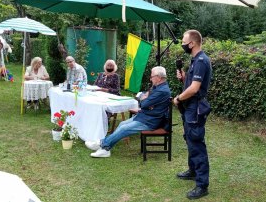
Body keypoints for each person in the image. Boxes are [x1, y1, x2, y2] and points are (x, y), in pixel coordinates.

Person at [85, 66, 171, 158]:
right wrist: (145, 98)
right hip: (145, 116)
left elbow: (143, 104)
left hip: (150, 121)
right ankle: (105, 146)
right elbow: (145, 98)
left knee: (124, 129)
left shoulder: (162, 91)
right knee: (122, 124)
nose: (150, 79)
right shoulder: (158, 87)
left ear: (159, 77)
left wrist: (144, 99)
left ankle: (103, 146)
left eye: (152, 76)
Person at [173, 30, 212, 200]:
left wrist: (178, 98)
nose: (182, 44)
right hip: (189, 106)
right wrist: (183, 79)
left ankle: (202, 185)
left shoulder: (202, 61)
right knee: (189, 138)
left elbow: (195, 89)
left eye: (184, 41)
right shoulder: (194, 60)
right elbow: (191, 84)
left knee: (196, 143)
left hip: (194, 107)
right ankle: (193, 171)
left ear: (192, 43)